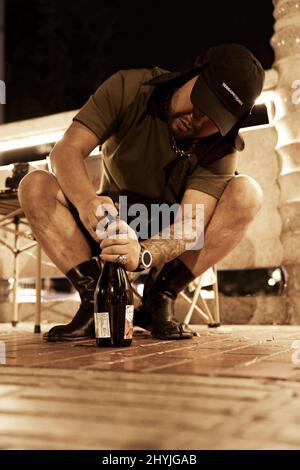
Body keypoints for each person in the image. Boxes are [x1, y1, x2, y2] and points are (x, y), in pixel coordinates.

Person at [18, 43, 265, 342]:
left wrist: (144, 255)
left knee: (247, 193)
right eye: (201, 101)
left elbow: (190, 224)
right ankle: (97, 302)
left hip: (167, 237)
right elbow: (65, 151)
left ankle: (159, 297)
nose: (198, 119)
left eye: (214, 119)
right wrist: (87, 203)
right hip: (109, 222)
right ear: (195, 72)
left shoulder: (220, 147)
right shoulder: (130, 87)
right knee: (34, 185)